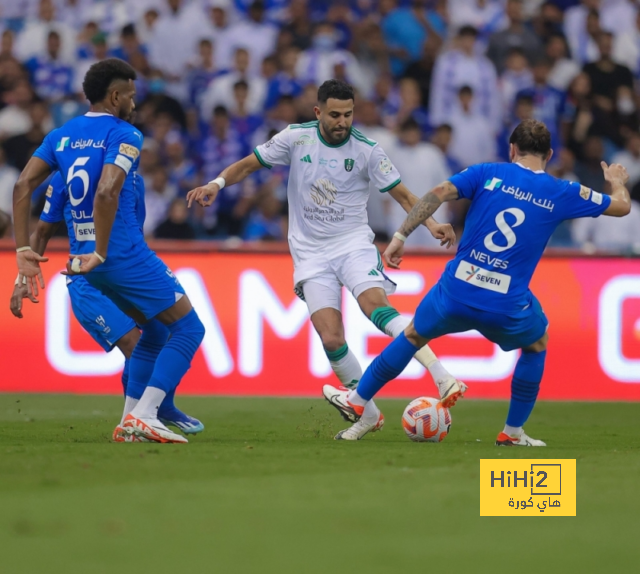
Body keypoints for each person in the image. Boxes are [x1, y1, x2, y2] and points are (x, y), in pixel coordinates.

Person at [187, 79, 465, 434]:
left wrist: (434, 224)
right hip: (310, 253)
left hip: (352, 245)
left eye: (348, 115)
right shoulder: (295, 138)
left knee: (374, 307)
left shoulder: (367, 150)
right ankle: (367, 415)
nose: (342, 122)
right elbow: (247, 165)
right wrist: (216, 184)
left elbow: (405, 196)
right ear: (318, 112)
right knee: (331, 339)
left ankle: (441, 376)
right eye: (335, 114)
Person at [325, 119, 630, 441]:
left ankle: (357, 400)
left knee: (413, 335)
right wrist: (616, 181)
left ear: (512, 149)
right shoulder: (563, 191)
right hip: (505, 303)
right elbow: (622, 207)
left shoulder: (486, 173)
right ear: (550, 154)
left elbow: (437, 193)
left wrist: (401, 235)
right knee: (536, 343)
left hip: (456, 291)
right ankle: (512, 432)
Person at [12, 58, 206, 444]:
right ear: (115, 96)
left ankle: (130, 421)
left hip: (86, 260)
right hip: (119, 254)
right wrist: (102, 250)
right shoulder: (125, 134)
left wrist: (21, 250)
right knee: (188, 328)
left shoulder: (62, 135)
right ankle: (148, 414)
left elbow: (21, 186)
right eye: (131, 95)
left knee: (152, 332)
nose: (135, 103)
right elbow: (106, 191)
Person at [9, 172, 203, 438]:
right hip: (87, 282)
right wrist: (22, 277)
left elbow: (136, 230)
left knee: (158, 333)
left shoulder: (133, 178)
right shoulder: (66, 175)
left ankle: (135, 420)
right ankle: (149, 411)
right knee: (139, 342)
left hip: (123, 273)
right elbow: (42, 229)